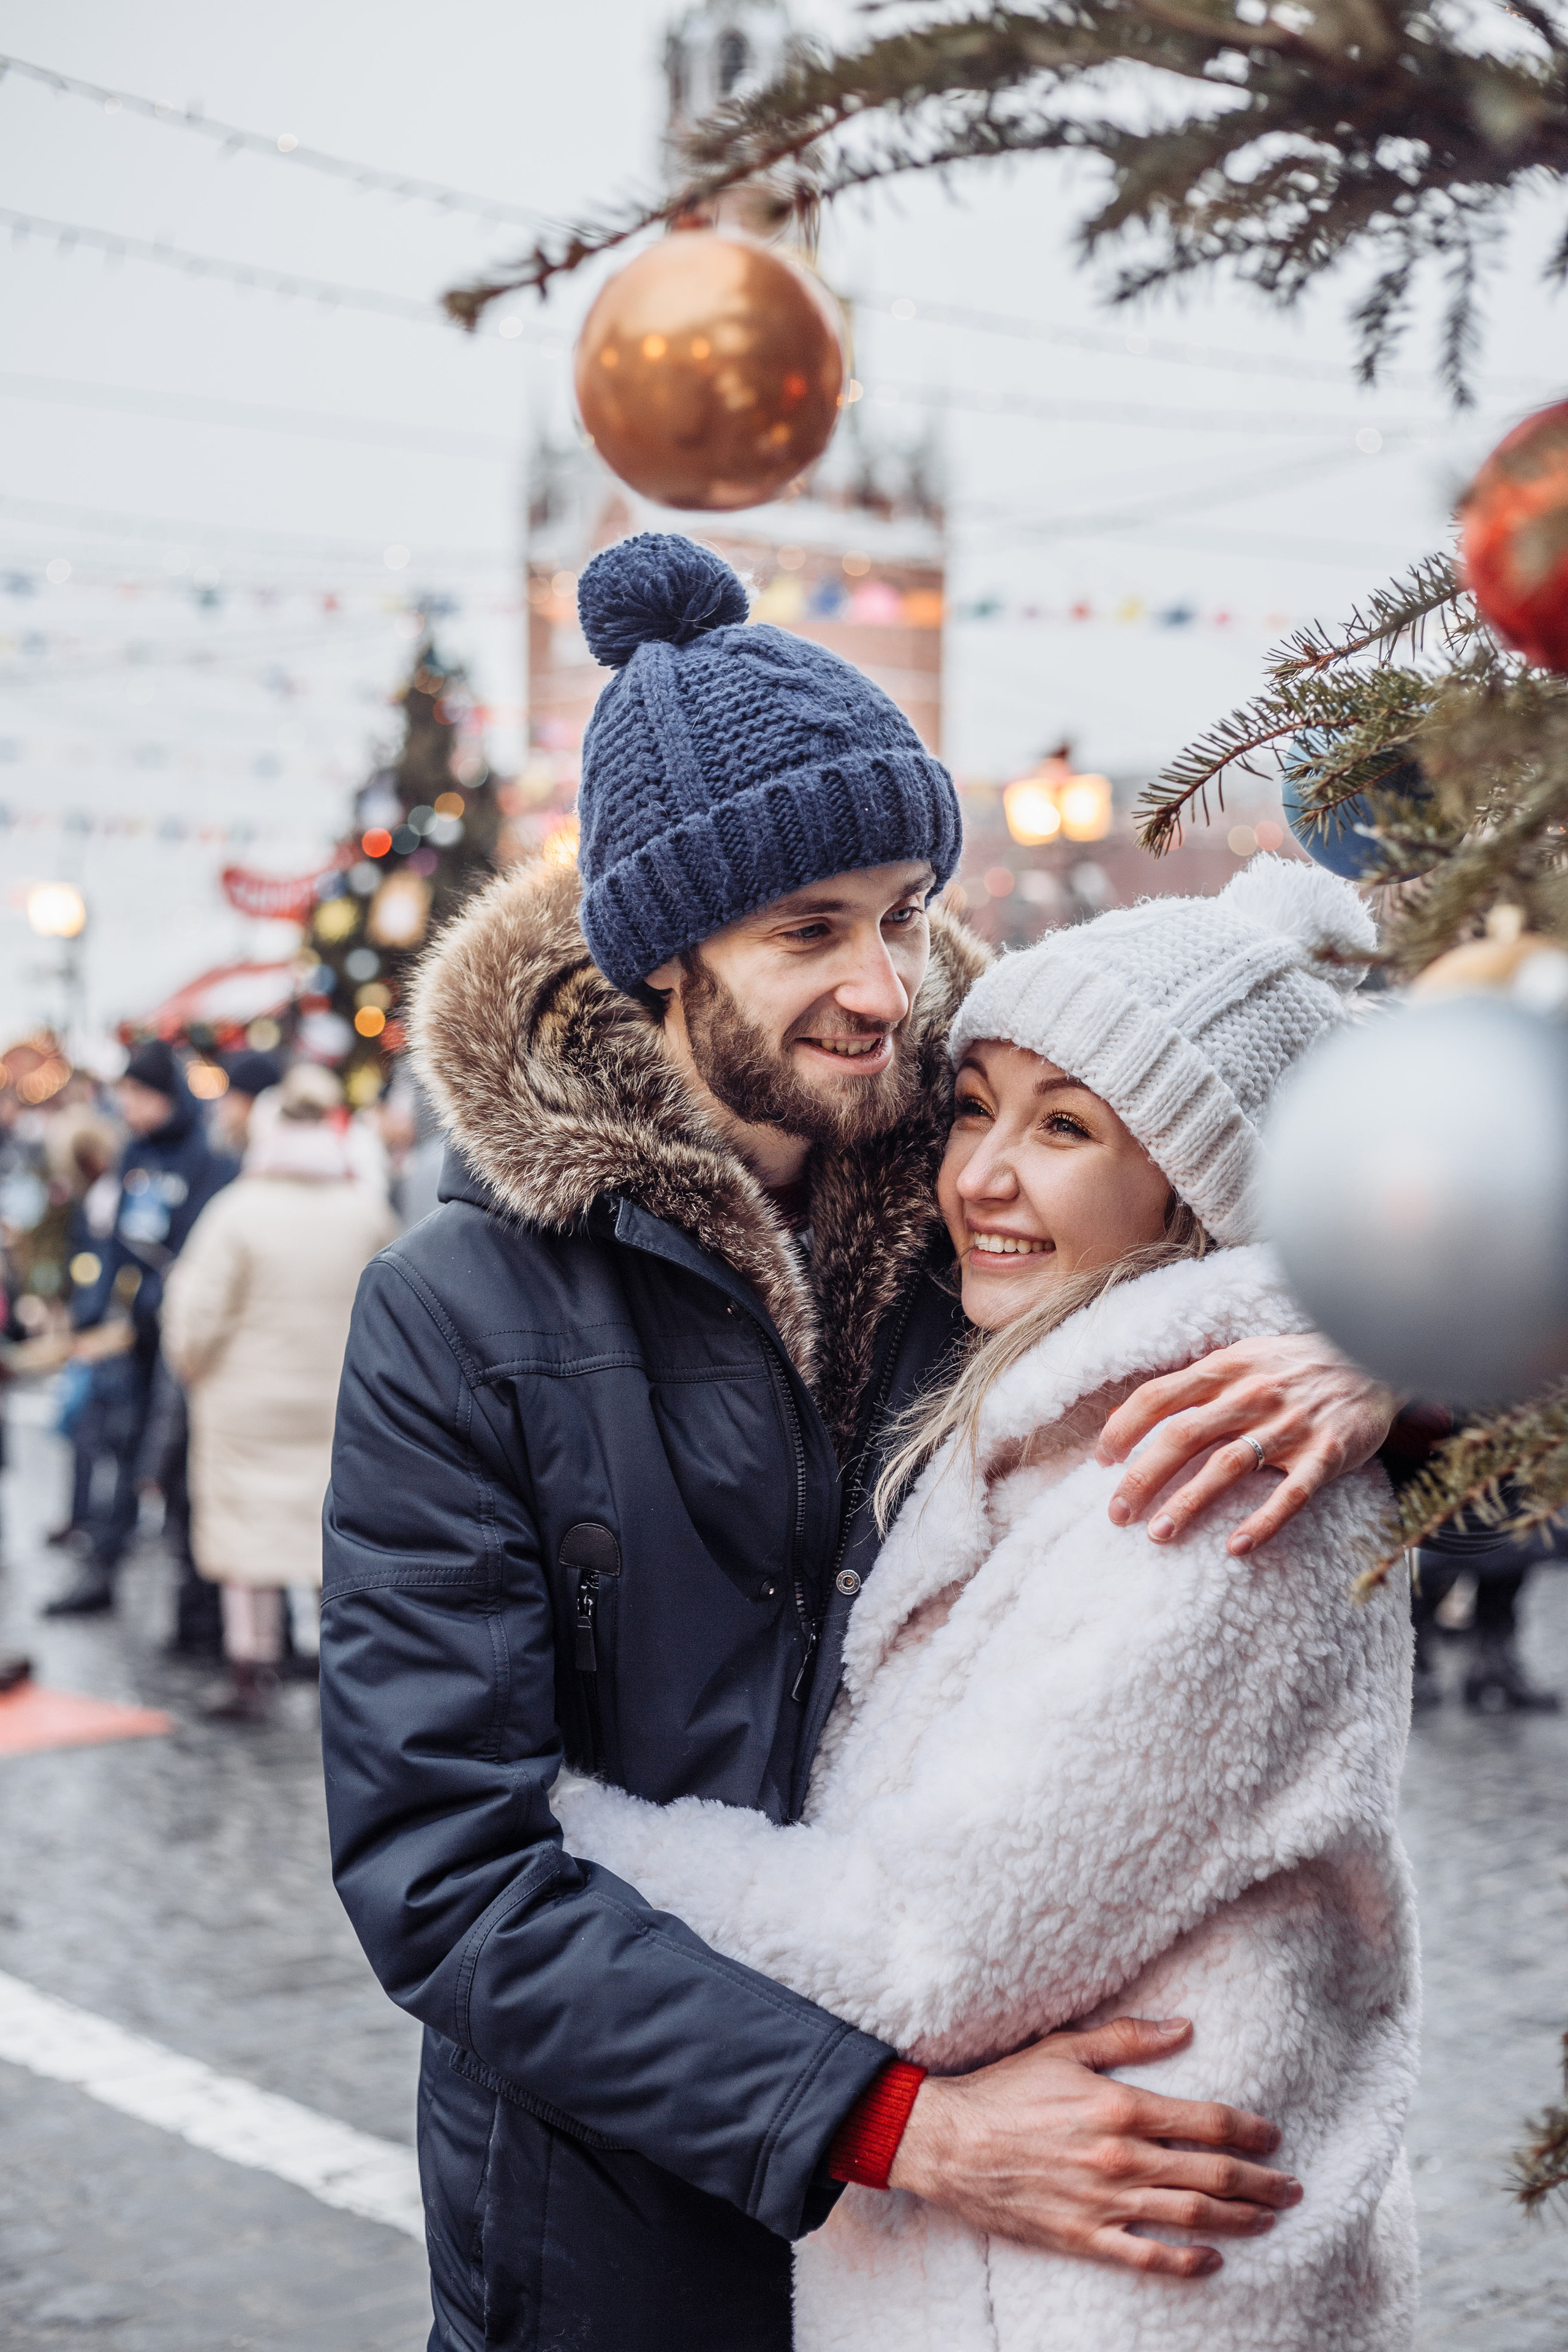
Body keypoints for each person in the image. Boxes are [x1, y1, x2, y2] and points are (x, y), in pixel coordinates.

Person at [320, 535, 1399, 2352]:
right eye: (806, 930)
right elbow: (446, 1871)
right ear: (663, 960)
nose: (886, 987)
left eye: (901, 913)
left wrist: (1376, 1355)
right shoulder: (459, 1310)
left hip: (976, 2277)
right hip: (619, 2243)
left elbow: (1281, 1239)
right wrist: (898, 2126)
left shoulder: (987, 1217)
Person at [556, 860, 1419, 2350]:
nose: (979, 1177)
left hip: (1108, 2301)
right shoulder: (1068, 1417)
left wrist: (566, 1827)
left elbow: (926, 1953)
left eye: (1064, 1127)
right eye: (972, 1108)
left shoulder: (1206, 1489)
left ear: (1196, 1191)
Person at [163, 1066, 396, 1721]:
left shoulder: (236, 1212)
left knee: (246, 1537)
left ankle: (250, 1664)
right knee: (336, 1530)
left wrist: (193, 1370)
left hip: (244, 1407)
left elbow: (194, 1318)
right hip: (339, 1402)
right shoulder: (365, 1211)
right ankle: (343, 1665)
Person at [43, 1041, 238, 1619]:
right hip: (134, 1342)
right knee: (125, 1450)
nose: (126, 1105)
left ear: (163, 1095)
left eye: (136, 1093)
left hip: (185, 1342)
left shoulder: (209, 1158)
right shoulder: (133, 1156)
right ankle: (103, 1569)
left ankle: (198, 1604)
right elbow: (113, 1242)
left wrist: (163, 1301)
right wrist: (94, 1310)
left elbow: (204, 1251)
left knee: (184, 1468)